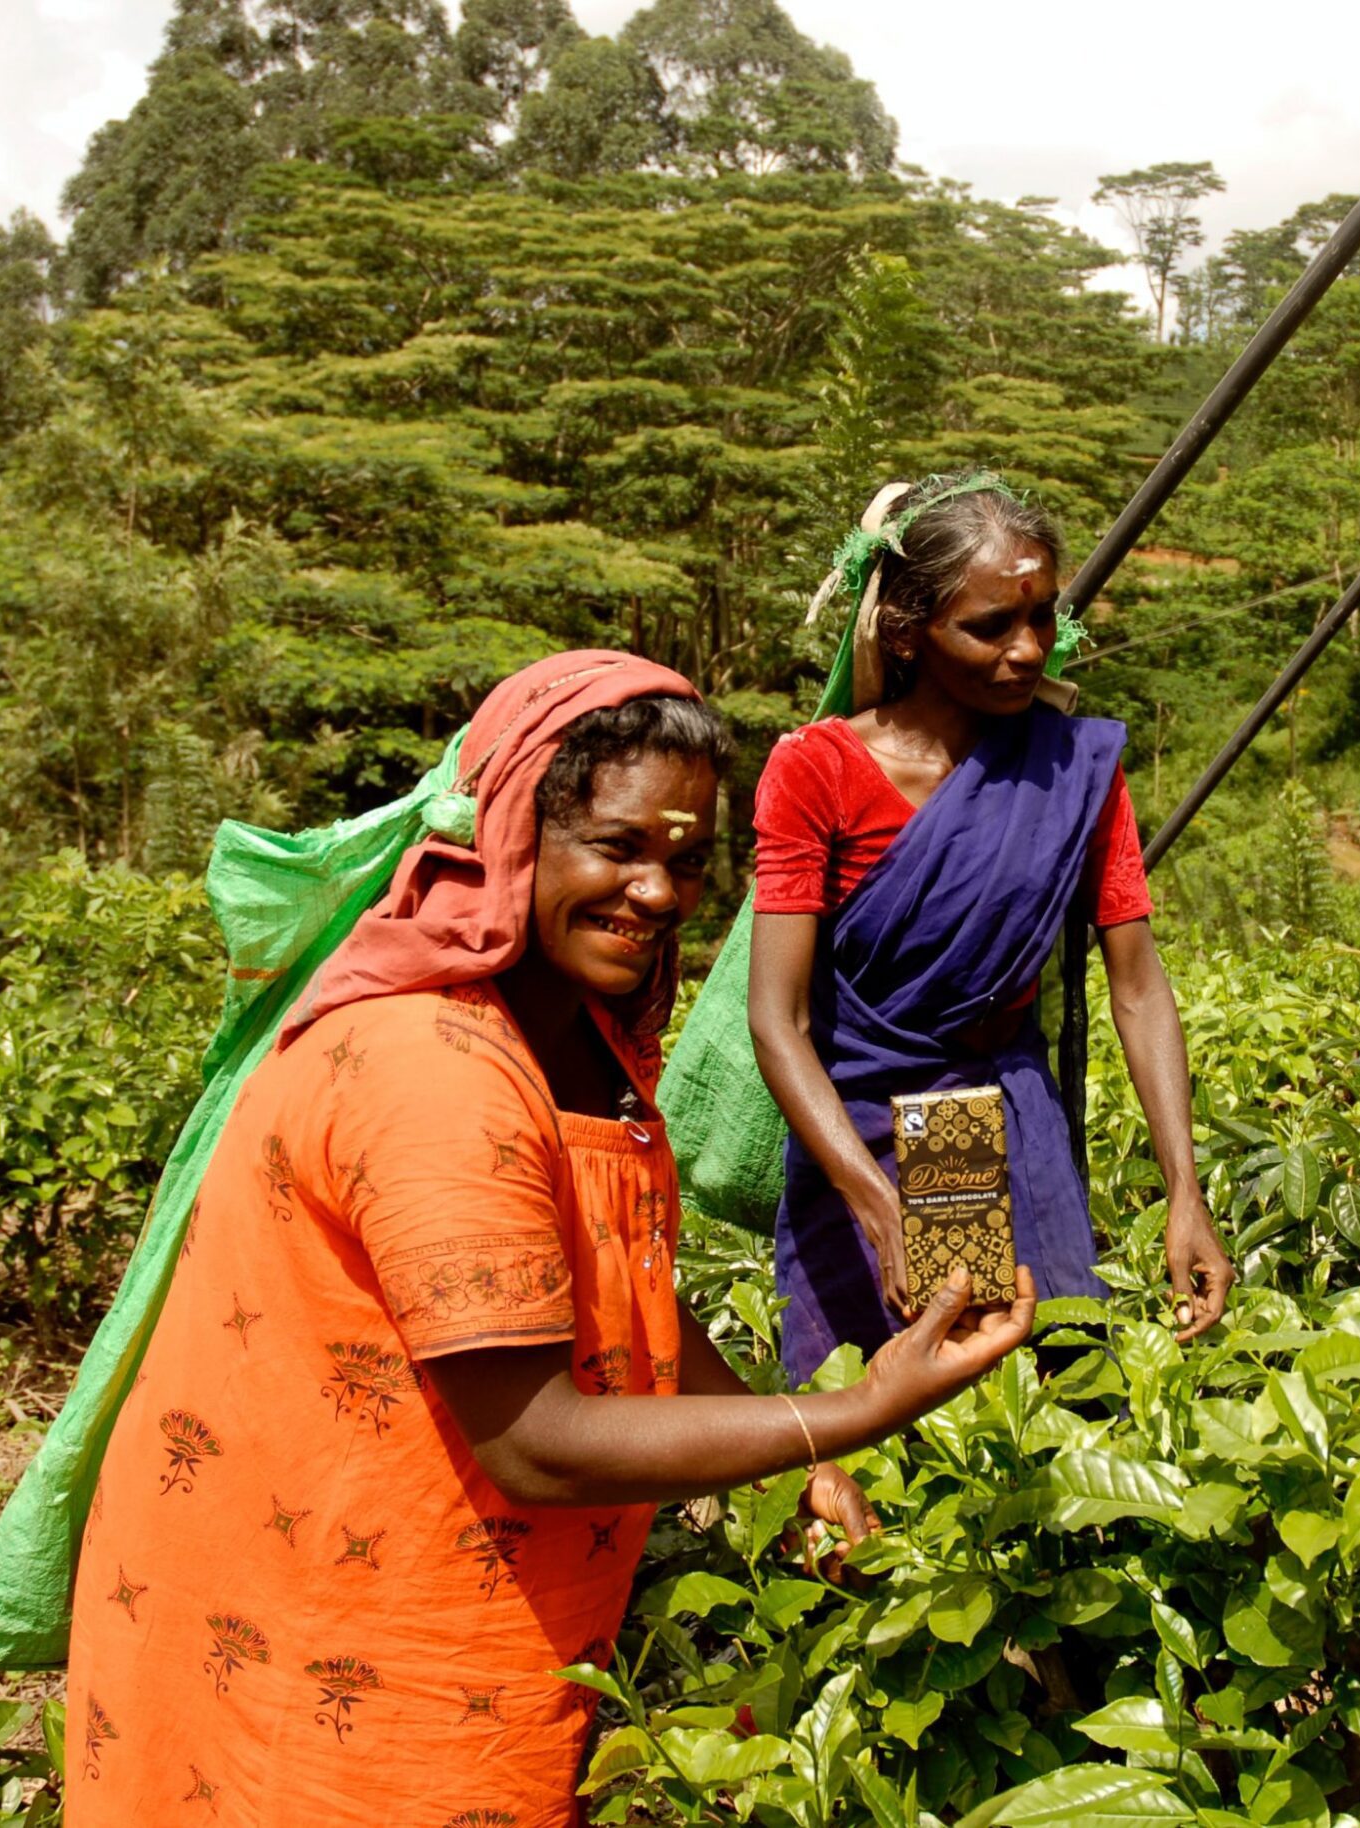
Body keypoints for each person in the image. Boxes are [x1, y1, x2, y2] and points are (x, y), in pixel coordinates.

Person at [62, 651, 1035, 1825]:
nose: (661, 894)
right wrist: (854, 1410)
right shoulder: (433, 1072)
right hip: (340, 1653)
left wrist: (799, 1463)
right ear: (517, 831)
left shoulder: (570, 1033)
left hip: (467, 1621)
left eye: (686, 861)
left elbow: (609, 1278)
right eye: (619, 847)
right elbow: (535, 1439)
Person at [748, 472, 1234, 1383]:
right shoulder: (817, 771)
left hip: (995, 1122)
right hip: (856, 1134)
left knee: (1016, 1413)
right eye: (989, 628)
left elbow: (1136, 985)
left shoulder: (1074, 768)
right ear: (907, 632)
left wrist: (1184, 1192)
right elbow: (780, 1022)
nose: (1026, 650)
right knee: (859, 1427)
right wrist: (875, 1201)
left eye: (1043, 618)